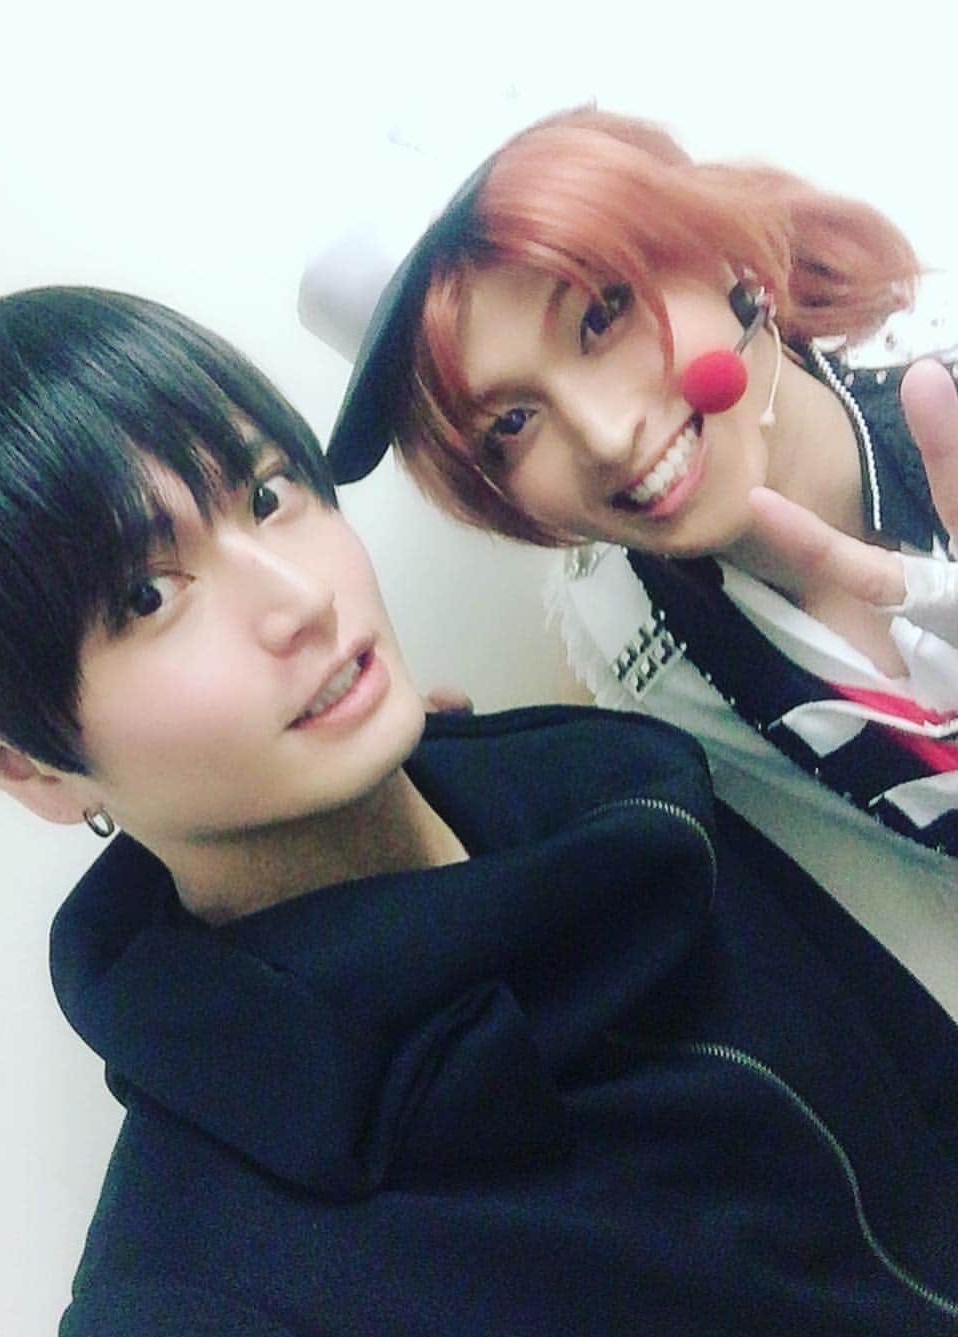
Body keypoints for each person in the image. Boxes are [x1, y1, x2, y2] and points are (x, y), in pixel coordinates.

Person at [0, 286, 956, 1337]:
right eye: (147, 598)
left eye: (267, 494)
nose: (299, 600)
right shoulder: (189, 1307)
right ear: (26, 765)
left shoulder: (624, 797)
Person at [306, 105, 958, 1016]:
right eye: (511, 423)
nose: (608, 435)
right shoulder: (628, 633)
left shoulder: (935, 381)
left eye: (601, 316)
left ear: (717, 247)